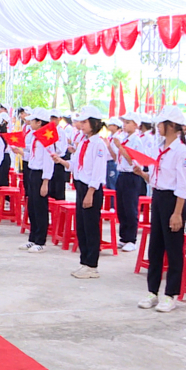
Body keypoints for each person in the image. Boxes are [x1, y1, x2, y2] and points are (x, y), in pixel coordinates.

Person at [134, 106, 186, 313]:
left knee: (173, 248)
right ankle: (152, 291)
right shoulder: (160, 149)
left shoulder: (182, 152)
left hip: (172, 201)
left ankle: (171, 294)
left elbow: (182, 186)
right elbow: (157, 179)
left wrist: (177, 213)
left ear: (172, 126)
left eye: (161, 123)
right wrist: (142, 174)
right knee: (155, 246)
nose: (158, 127)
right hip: (157, 197)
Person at [54, 106, 107, 278]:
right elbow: (76, 165)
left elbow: (98, 171)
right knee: (82, 226)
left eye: (85, 122)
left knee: (91, 226)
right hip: (81, 186)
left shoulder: (98, 144)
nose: (81, 125)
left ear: (95, 123)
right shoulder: (84, 142)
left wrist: (90, 192)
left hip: (91, 188)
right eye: (81, 122)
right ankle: (84, 261)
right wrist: (61, 161)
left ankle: (92, 265)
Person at [18, 108, 53, 253]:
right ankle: (32, 238)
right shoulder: (34, 136)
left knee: (40, 208)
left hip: (41, 175)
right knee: (31, 206)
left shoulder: (47, 138)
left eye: (33, 120)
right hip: (32, 171)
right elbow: (32, 156)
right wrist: (21, 153)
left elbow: (48, 161)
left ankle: (41, 240)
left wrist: (45, 181)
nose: (30, 122)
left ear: (39, 122)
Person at [112, 112, 144, 253]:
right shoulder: (124, 139)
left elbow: (134, 160)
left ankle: (132, 239)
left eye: (128, 122)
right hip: (122, 174)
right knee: (122, 207)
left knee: (130, 208)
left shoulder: (137, 141)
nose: (125, 125)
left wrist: (120, 147)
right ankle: (124, 237)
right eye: (124, 122)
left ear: (136, 125)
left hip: (132, 175)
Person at [48, 109, 68, 200]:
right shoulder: (48, 131)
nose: (53, 120)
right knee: (51, 185)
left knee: (59, 185)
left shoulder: (61, 132)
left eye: (54, 118)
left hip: (59, 160)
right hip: (50, 160)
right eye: (51, 118)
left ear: (59, 119)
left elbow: (62, 148)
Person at [105, 118, 122, 190]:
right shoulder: (110, 136)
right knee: (108, 185)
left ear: (116, 126)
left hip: (113, 162)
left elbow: (116, 154)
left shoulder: (117, 137)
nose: (108, 126)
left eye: (110, 125)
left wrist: (108, 146)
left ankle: (113, 201)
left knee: (112, 185)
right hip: (108, 161)